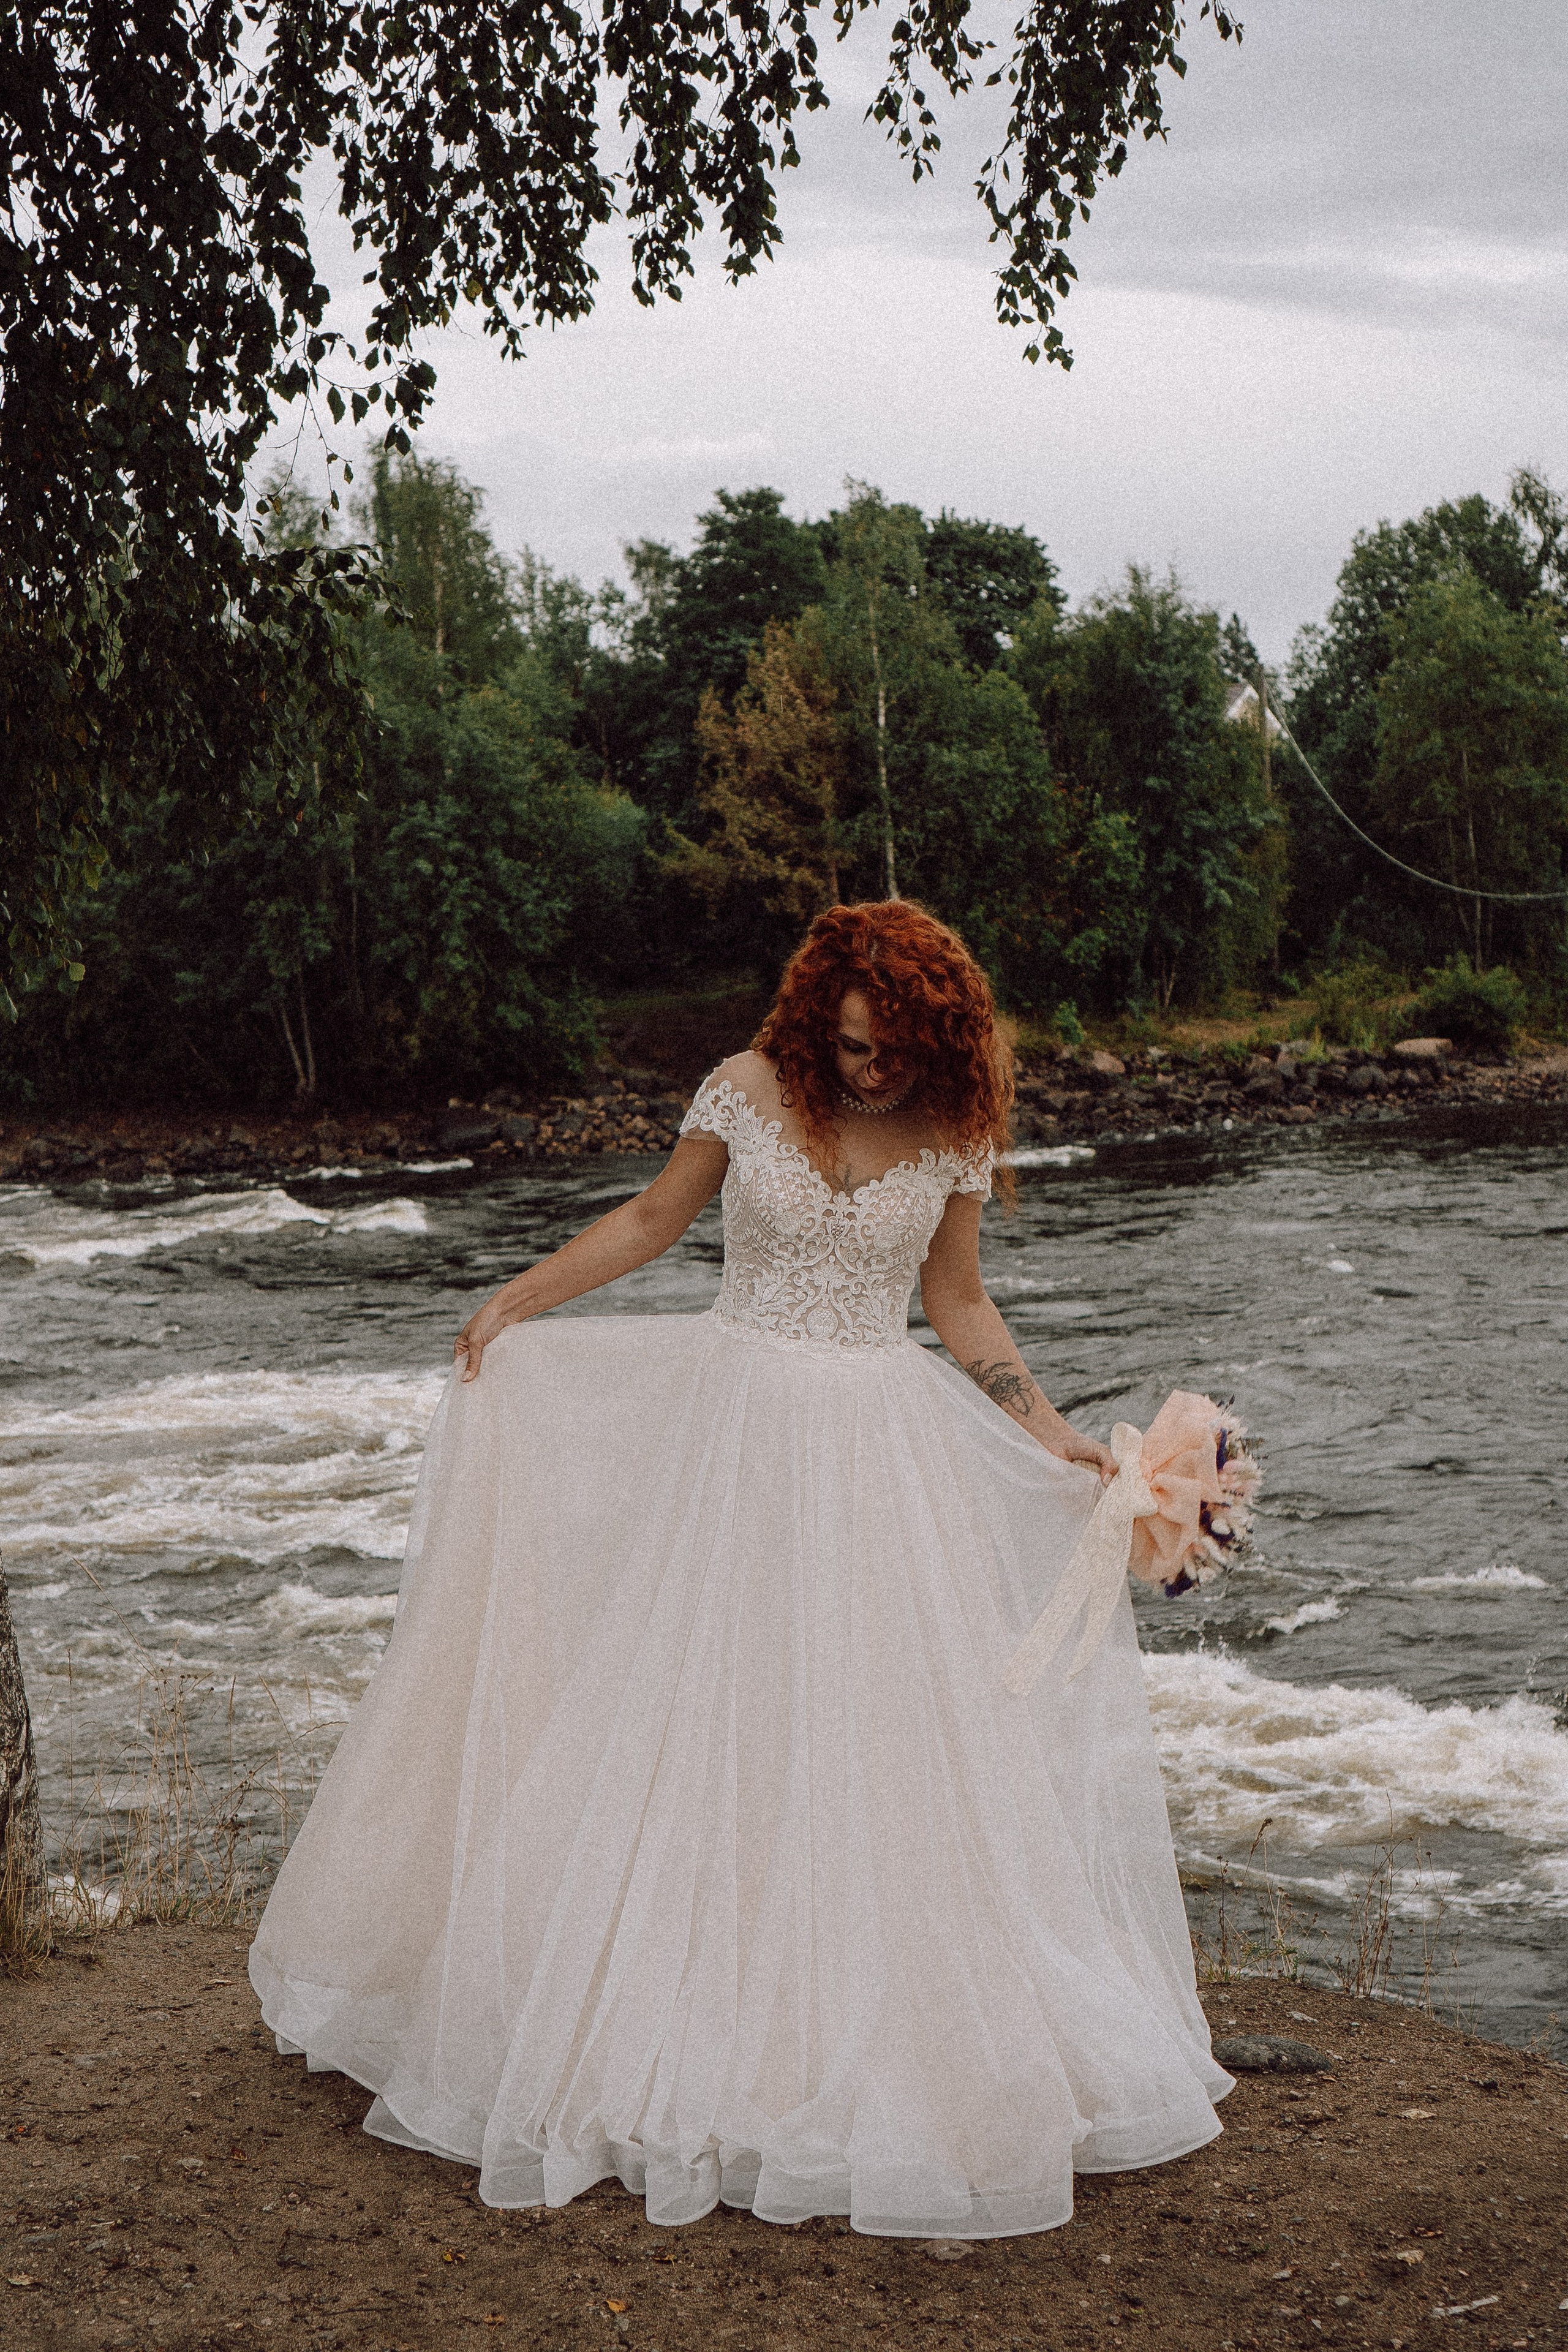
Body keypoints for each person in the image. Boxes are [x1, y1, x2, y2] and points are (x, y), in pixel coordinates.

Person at [249, 900, 1231, 2240]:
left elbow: (955, 1299)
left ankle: (845, 2009)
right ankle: (667, 2004)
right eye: (847, 1042)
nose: (867, 1067)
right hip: (730, 1434)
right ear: (814, 1014)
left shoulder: (950, 1127)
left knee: (867, 1729)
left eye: (889, 1049)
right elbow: (656, 1217)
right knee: (691, 1708)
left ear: (932, 1038)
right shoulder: (748, 1089)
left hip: (874, 1448)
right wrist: (520, 1300)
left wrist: (1048, 1430)